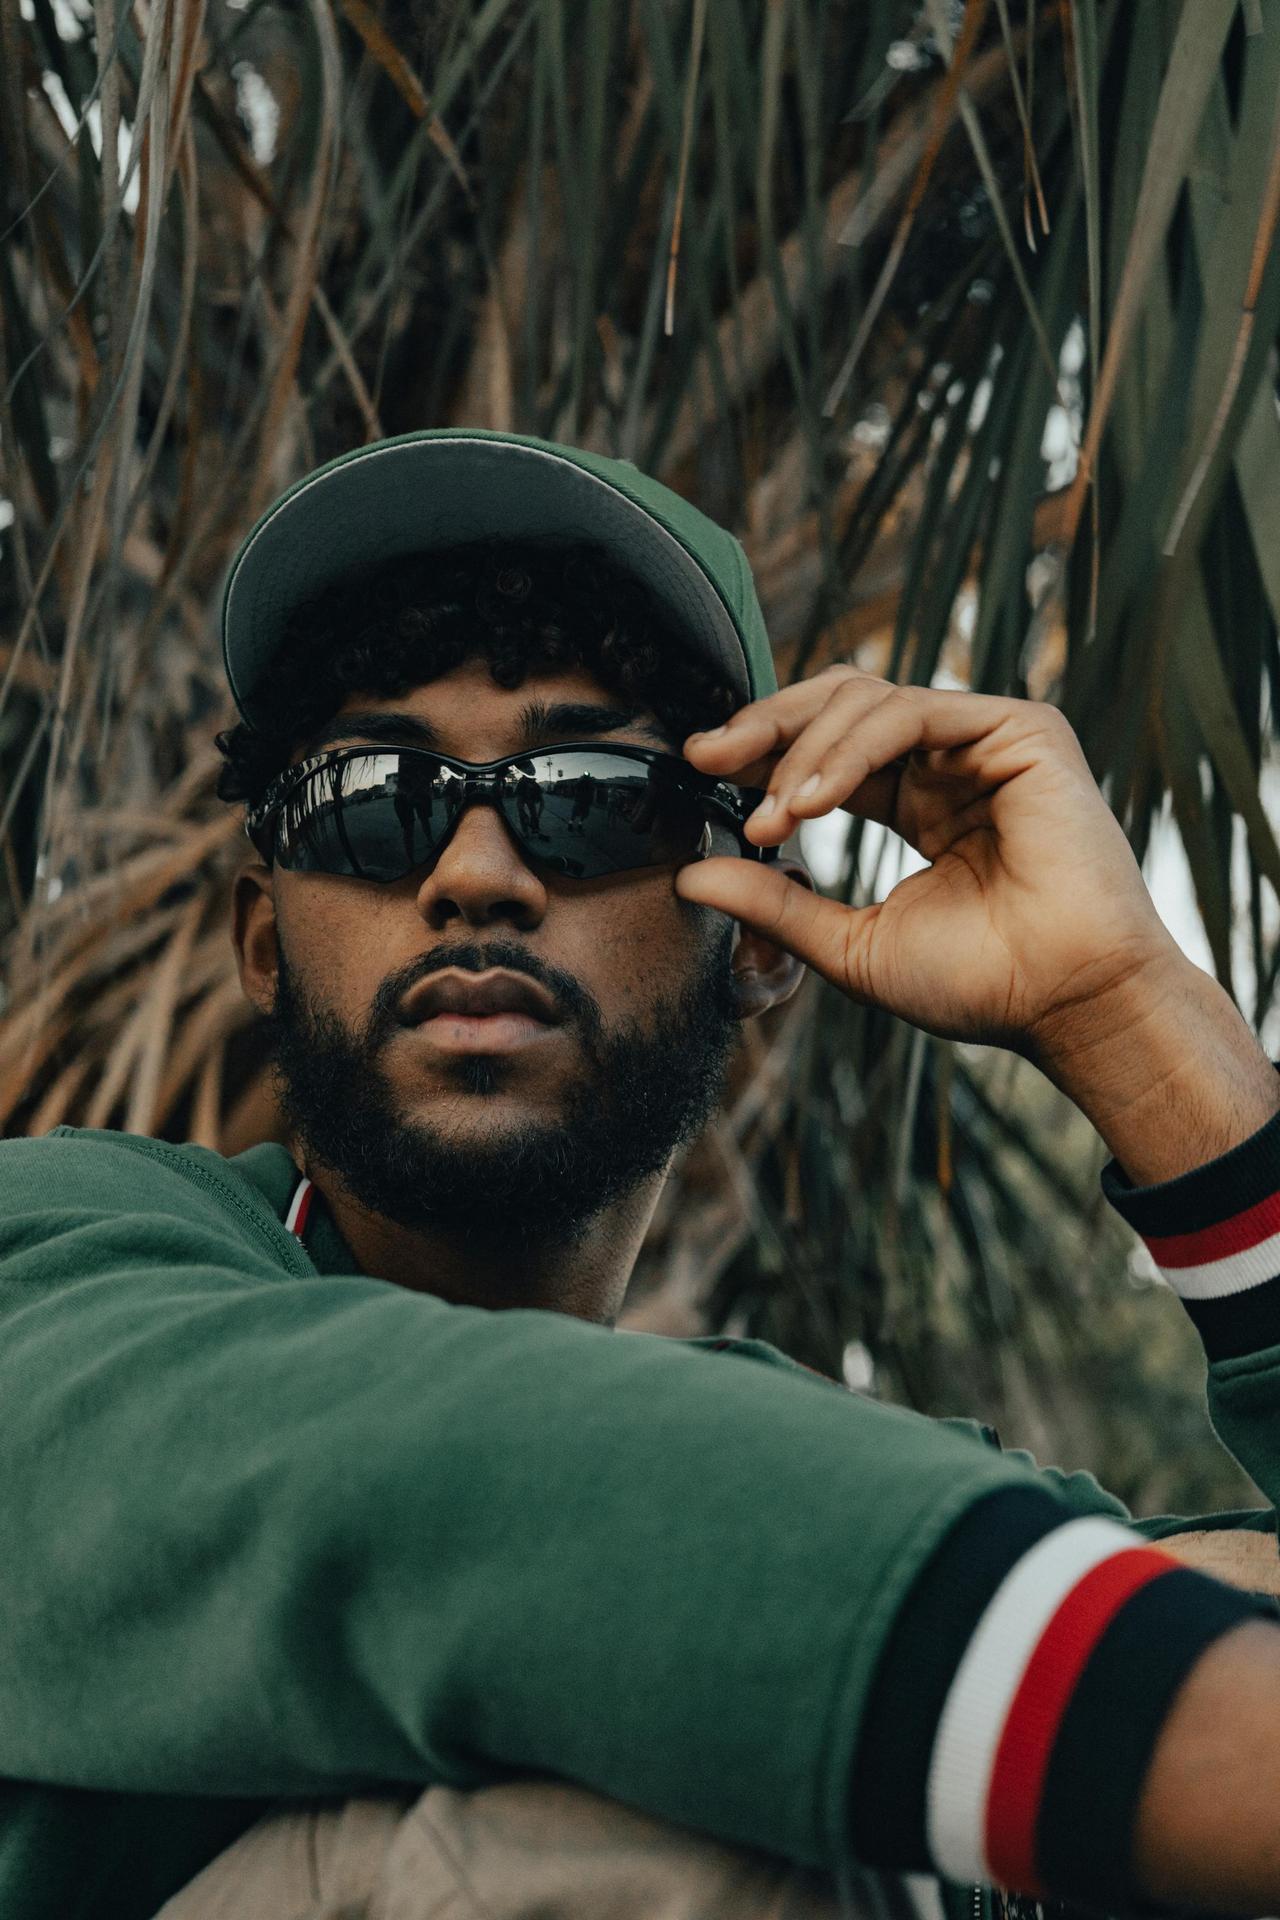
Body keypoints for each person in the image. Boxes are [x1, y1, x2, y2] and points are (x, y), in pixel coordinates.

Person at [3, 427, 1280, 1920]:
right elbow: (415, 1500)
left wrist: (1124, 1013)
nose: (474, 873)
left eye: (591, 795)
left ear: (753, 939)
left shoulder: (876, 1494)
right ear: (262, 941)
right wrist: (1148, 1725)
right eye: (371, 798)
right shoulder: (59, 1270)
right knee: (661, 1818)